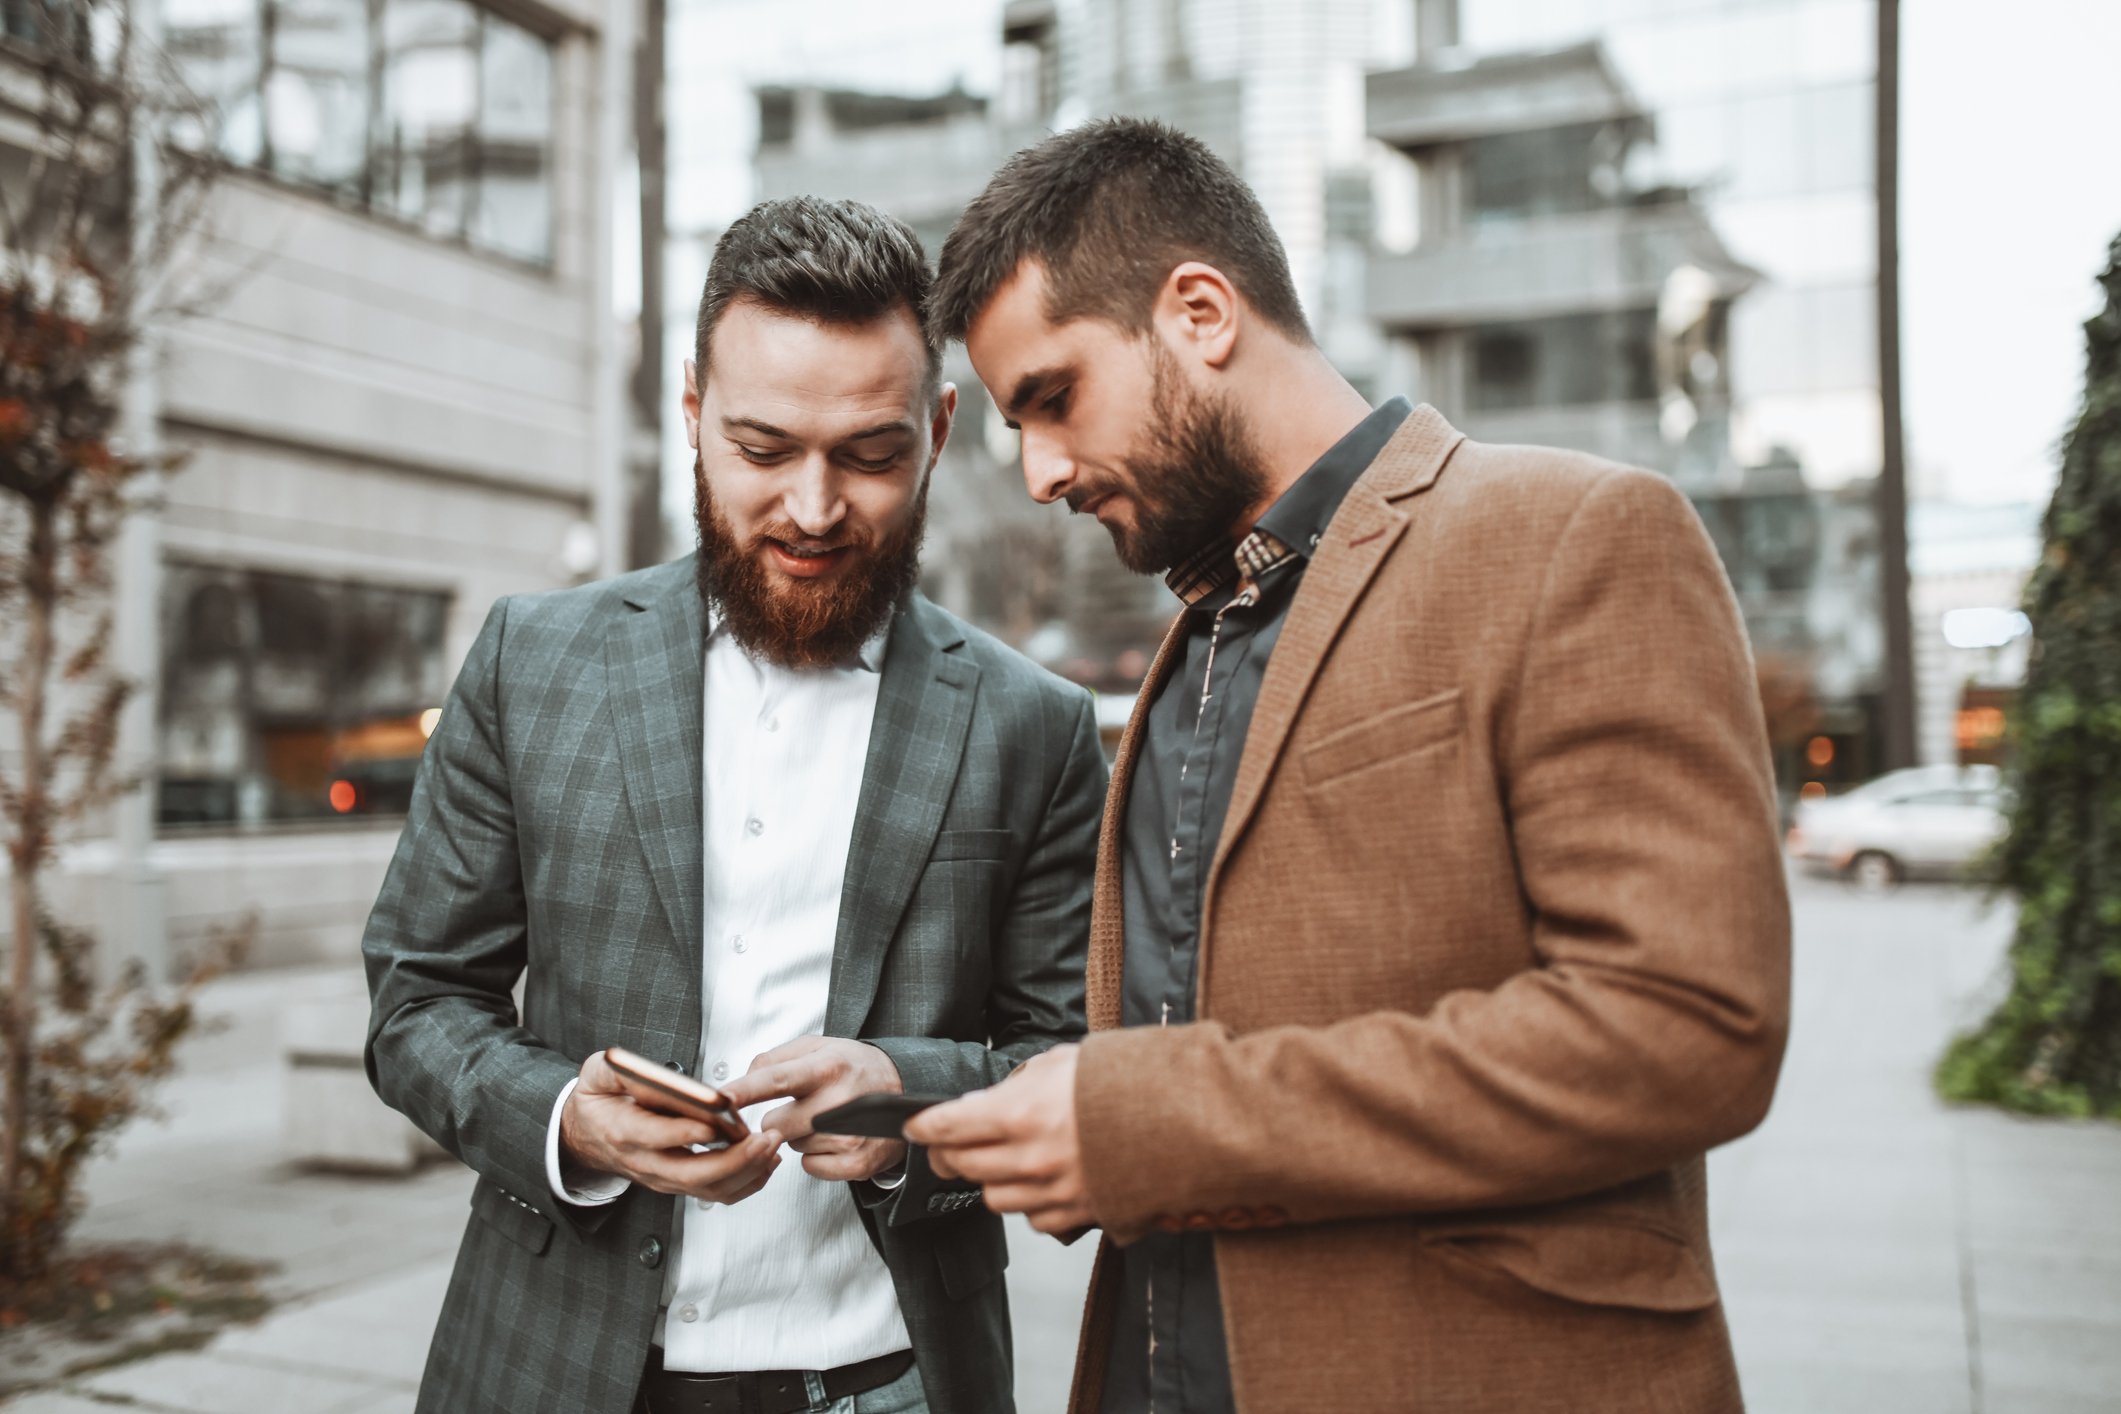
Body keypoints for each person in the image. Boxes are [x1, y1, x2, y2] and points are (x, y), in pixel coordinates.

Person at [905, 118, 1792, 1414]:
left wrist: (1156, 1128)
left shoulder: (1576, 537)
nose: (1039, 471)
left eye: (1054, 397)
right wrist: (912, 1089)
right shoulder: (1194, 640)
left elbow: (1686, 1028)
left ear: (1200, 312)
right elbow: (1162, 1053)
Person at [363, 196, 1106, 1414]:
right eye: (763, 451)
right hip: (551, 1366)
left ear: (938, 428)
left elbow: (1072, 1056)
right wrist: (568, 1119)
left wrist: (908, 1101)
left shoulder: (1035, 724)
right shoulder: (528, 661)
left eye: (869, 455)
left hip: (892, 1377)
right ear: (693, 412)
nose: (813, 509)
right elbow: (416, 998)